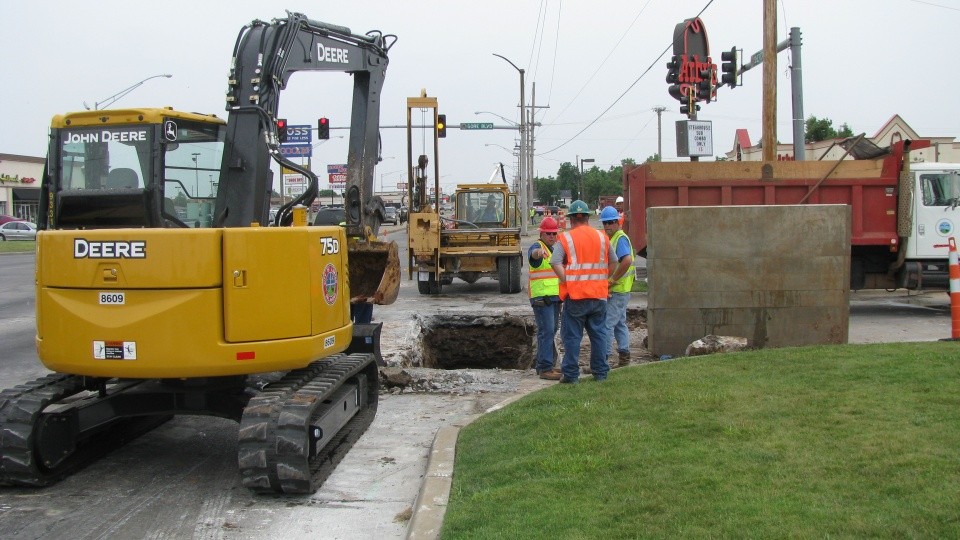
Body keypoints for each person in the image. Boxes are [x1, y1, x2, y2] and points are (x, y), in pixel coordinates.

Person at [549, 200, 616, 383]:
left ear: (571, 219)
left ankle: (571, 375)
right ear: (587, 217)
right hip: (598, 296)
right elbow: (614, 261)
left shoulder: (566, 238)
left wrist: (568, 280)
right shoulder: (602, 237)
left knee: (572, 338)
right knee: (599, 335)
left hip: (576, 296)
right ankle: (600, 373)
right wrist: (603, 280)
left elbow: (555, 262)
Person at [600, 205, 635, 368]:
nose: (607, 226)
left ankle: (602, 361)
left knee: (607, 324)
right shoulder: (613, 238)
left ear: (618, 222)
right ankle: (624, 356)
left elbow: (626, 260)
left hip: (618, 290)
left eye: (611, 222)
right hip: (620, 289)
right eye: (605, 223)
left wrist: (612, 280)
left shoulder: (620, 238)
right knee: (620, 323)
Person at [528, 217, 563, 381]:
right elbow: (533, 256)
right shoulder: (538, 246)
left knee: (551, 330)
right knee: (547, 331)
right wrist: (538, 254)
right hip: (542, 298)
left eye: (554, 233)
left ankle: (545, 365)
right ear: (541, 233)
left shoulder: (553, 248)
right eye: (548, 233)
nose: (552, 236)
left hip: (554, 298)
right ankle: (545, 367)